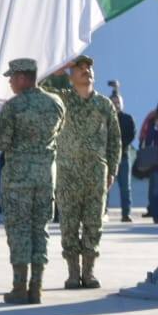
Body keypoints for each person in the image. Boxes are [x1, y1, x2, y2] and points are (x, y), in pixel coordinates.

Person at [0, 57, 64, 305]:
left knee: (19, 230)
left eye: (12, 78)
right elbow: (57, 133)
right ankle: (37, 287)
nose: (10, 83)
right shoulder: (56, 103)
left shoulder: (13, 107)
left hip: (18, 179)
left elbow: (2, 142)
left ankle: (19, 287)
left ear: (23, 78)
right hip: (45, 177)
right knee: (40, 229)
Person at [50, 56, 121, 290]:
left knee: (93, 223)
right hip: (67, 172)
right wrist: (57, 71)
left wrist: (112, 169)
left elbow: (115, 140)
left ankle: (89, 272)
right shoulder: (62, 99)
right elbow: (37, 89)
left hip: (96, 172)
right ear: (71, 76)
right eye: (80, 68)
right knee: (69, 223)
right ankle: (73, 272)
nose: (86, 71)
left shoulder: (104, 104)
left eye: (89, 68)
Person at [109, 83, 136, 221]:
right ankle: (103, 212)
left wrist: (120, 145)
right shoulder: (106, 118)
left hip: (124, 156)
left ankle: (126, 214)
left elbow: (132, 134)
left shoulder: (127, 119)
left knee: (125, 187)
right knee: (105, 186)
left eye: (118, 102)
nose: (116, 105)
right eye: (114, 102)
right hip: (108, 157)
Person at [138, 99, 158, 222]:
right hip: (156, 158)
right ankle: (156, 215)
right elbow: (148, 139)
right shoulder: (153, 121)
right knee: (154, 188)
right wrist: (157, 125)